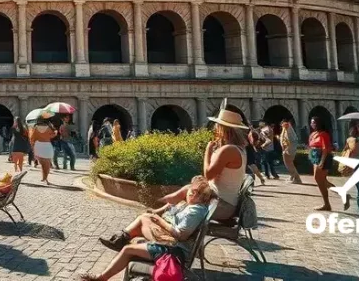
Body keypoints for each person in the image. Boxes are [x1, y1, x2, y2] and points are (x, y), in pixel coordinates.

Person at [83, 176, 216, 281]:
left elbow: (181, 235)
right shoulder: (194, 207)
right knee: (145, 218)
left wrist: (160, 221)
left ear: (196, 195)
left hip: (174, 250)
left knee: (128, 249)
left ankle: (102, 277)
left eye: (190, 191)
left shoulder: (194, 211)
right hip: (174, 244)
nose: (187, 193)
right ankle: (121, 240)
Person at [161, 102, 246, 221]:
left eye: (217, 125)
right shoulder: (239, 148)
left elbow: (209, 175)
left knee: (187, 193)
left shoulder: (228, 150)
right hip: (222, 201)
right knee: (188, 190)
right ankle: (157, 210)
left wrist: (207, 151)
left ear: (222, 128)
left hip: (220, 205)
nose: (214, 128)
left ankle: (157, 209)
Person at [308, 115, 335, 212]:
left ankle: (326, 204)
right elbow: (311, 145)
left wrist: (322, 162)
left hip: (322, 157)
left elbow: (325, 149)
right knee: (322, 180)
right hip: (315, 155)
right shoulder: (314, 133)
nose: (312, 124)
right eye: (311, 122)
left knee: (319, 179)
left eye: (314, 122)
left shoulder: (324, 134)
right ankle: (342, 194)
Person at [29, 115, 57, 185]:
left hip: (38, 146)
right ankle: (46, 178)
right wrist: (55, 132)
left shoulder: (35, 128)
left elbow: (32, 138)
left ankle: (44, 178)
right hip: (47, 145)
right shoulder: (49, 127)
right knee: (47, 164)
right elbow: (52, 135)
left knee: (42, 164)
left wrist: (33, 147)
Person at [279, 119, 302, 184]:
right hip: (287, 148)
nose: (282, 125)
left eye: (283, 124)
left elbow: (291, 140)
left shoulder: (288, 128)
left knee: (289, 164)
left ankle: (297, 179)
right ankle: (292, 176)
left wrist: (287, 149)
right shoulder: (287, 129)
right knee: (288, 164)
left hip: (288, 148)